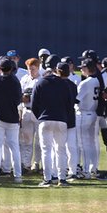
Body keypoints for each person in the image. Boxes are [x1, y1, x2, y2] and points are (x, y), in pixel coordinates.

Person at [31, 56, 76, 187]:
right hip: (61, 120)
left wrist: (40, 116)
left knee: (46, 150)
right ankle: (62, 179)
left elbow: (34, 104)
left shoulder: (40, 82)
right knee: (60, 150)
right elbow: (70, 104)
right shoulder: (64, 83)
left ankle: (48, 179)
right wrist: (64, 117)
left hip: (45, 120)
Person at [75, 56, 106, 179]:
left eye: (82, 68)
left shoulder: (85, 83)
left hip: (84, 114)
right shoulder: (98, 80)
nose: (81, 70)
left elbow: (76, 100)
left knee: (84, 144)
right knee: (92, 143)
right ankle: (93, 168)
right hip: (94, 114)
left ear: (88, 68)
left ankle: (86, 171)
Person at [18, 57, 42, 172]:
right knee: (26, 139)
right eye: (29, 69)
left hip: (38, 111)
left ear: (38, 68)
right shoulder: (24, 79)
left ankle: (36, 163)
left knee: (39, 140)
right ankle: (26, 164)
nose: (31, 71)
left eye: (33, 69)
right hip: (26, 110)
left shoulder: (42, 80)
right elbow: (19, 95)